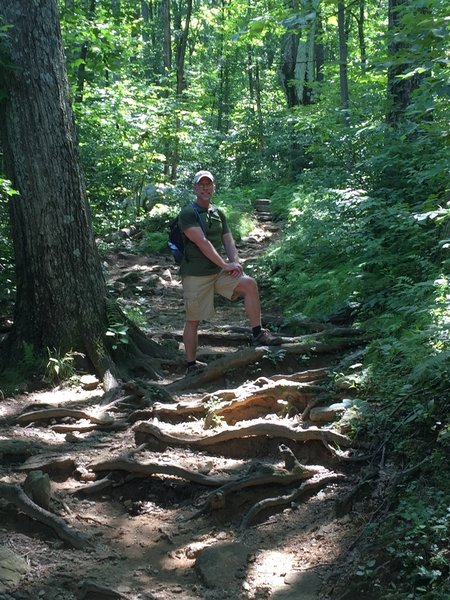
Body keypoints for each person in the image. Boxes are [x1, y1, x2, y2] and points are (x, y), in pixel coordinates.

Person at [178, 169, 282, 375]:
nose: (205, 188)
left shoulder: (218, 213)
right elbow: (202, 243)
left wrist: (235, 261)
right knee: (193, 319)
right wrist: (226, 265)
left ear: (213, 187)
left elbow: (228, 239)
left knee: (249, 284)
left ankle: (258, 333)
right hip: (196, 275)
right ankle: (191, 365)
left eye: (209, 184)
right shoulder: (188, 213)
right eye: (201, 184)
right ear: (195, 188)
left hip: (218, 273)